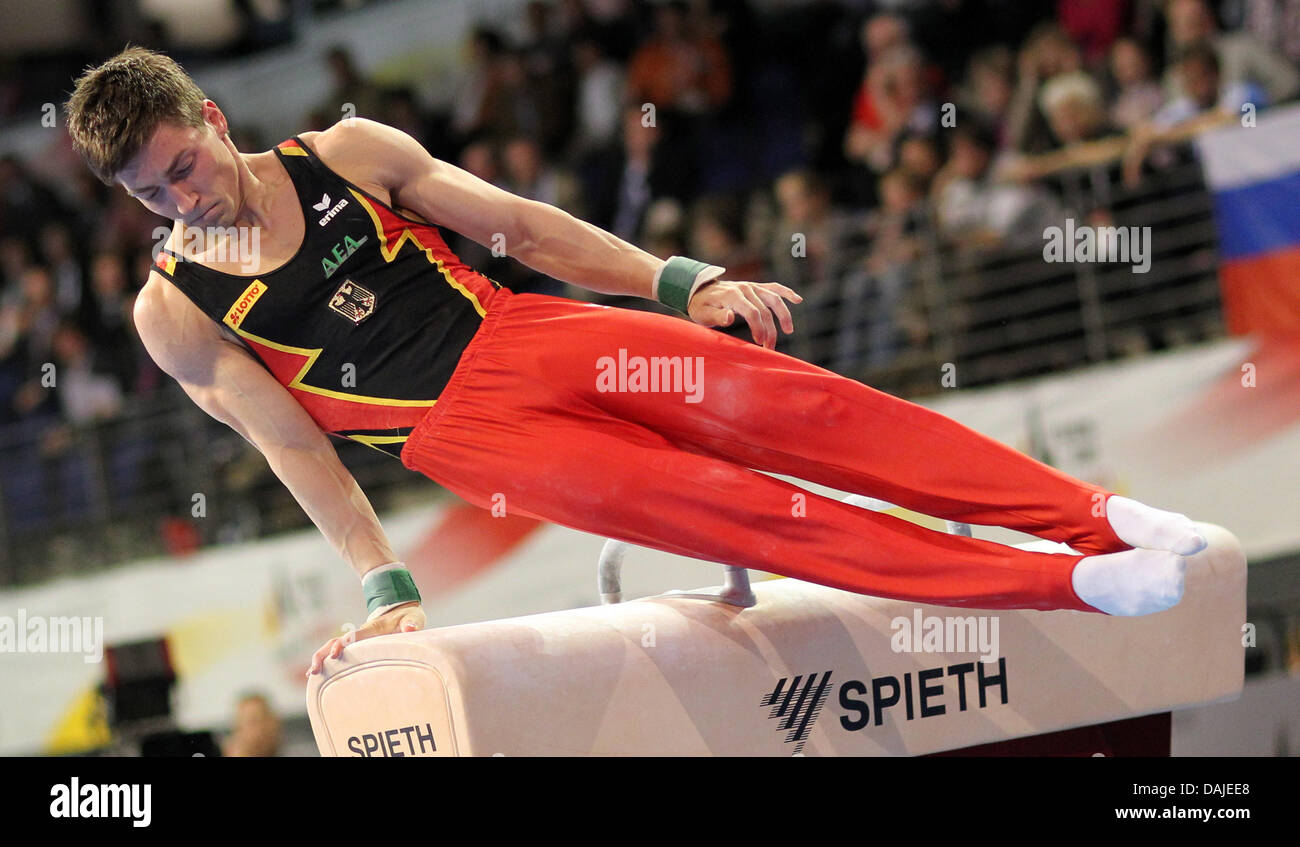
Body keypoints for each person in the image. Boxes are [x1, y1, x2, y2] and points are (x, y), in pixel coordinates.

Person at [64, 49, 1208, 677]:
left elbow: (520, 222)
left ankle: (1092, 513)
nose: (182, 198)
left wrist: (683, 281)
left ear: (211, 116)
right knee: (755, 514)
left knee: (809, 409)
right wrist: (386, 586)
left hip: (526, 331)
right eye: (150, 194)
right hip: (470, 440)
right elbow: (294, 450)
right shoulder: (177, 313)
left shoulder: (343, 152)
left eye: (183, 164)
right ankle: (1064, 584)